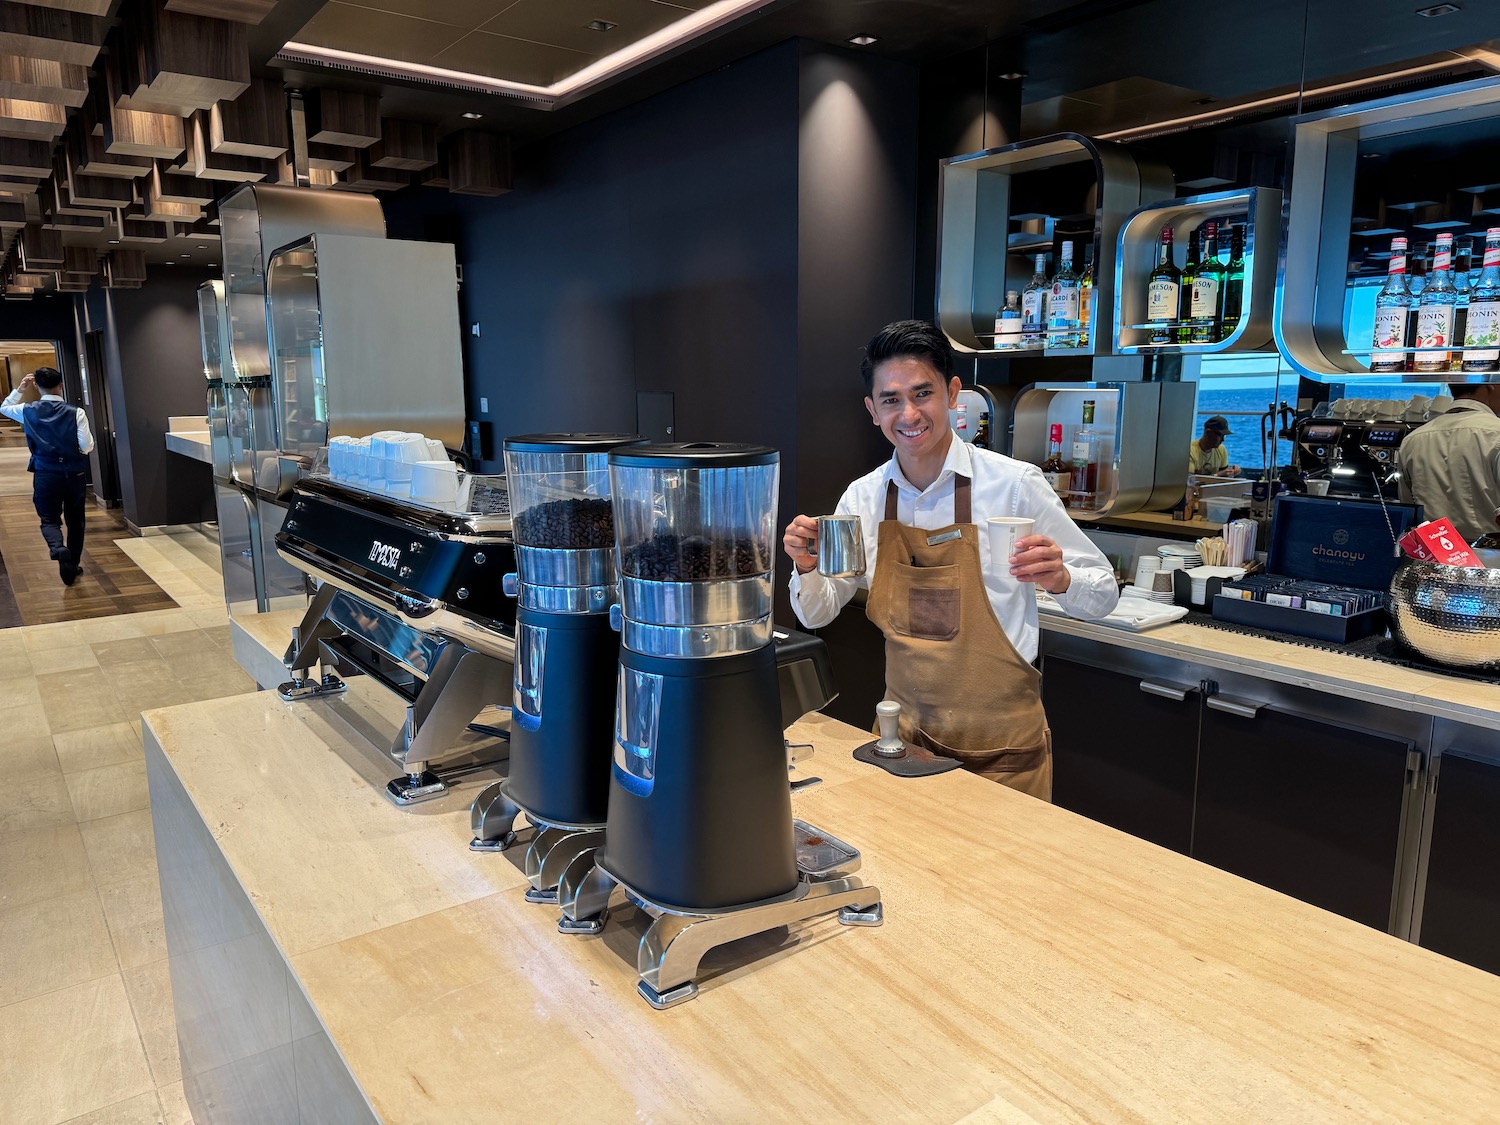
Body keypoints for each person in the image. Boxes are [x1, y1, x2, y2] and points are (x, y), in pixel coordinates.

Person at [782, 320, 1118, 800]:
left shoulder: (1016, 486)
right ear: (872, 410)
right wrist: (807, 567)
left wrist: (1061, 578)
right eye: (892, 399)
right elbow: (817, 612)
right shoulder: (864, 498)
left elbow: (1103, 593)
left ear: (953, 393)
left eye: (923, 394)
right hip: (903, 749)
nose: (909, 413)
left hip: (1006, 756)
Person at [1, 368, 95, 585]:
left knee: (49, 519)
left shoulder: (27, 410)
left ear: (36, 386)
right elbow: (87, 446)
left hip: (45, 472)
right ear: (60, 385)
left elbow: (4, 408)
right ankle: (72, 565)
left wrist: (20, 389)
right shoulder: (76, 412)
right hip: (74, 473)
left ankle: (57, 548)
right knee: (76, 521)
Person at [1399, 383, 1500, 543]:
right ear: (1491, 385)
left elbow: (1407, 508)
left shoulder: (1413, 438)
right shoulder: (1496, 433)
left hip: (1433, 553)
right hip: (1489, 557)